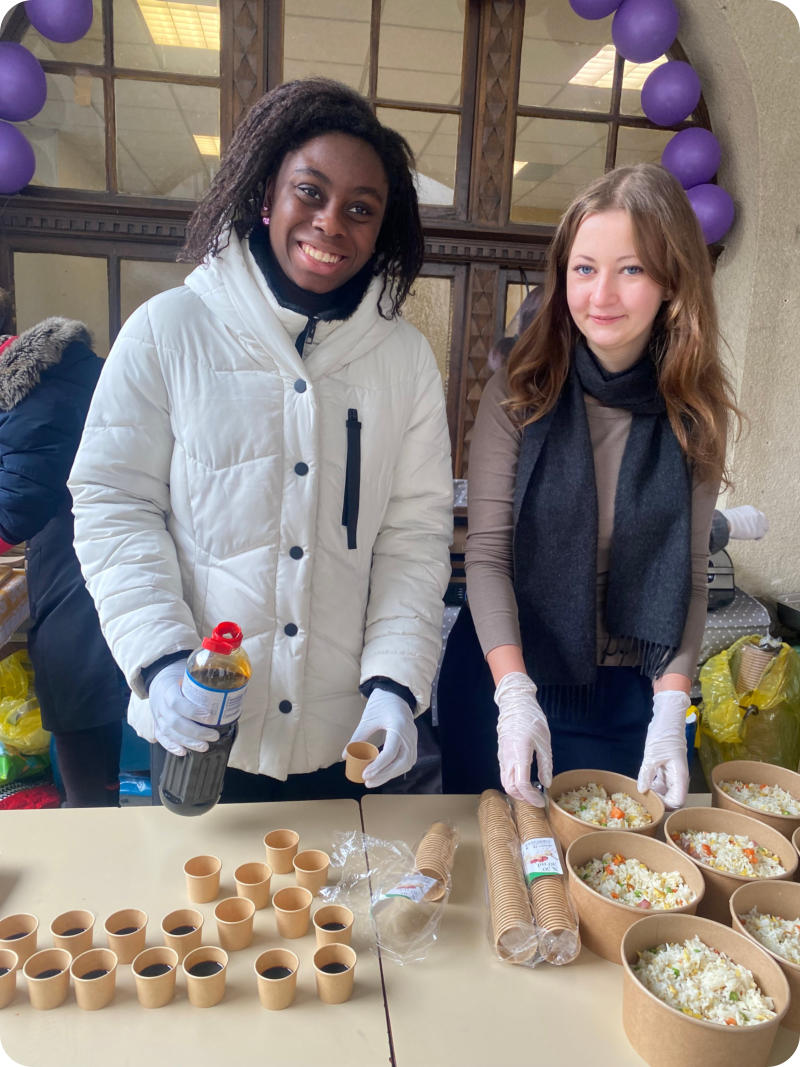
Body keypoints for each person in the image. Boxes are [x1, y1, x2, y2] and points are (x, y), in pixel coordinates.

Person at [68, 78, 453, 804]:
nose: (330, 223)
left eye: (361, 208)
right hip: (200, 724)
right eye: (310, 191)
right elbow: (113, 504)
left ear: (382, 228)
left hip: (344, 737)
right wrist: (161, 660)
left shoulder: (404, 361)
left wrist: (396, 685)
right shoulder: (168, 330)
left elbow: (414, 536)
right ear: (266, 193)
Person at [439, 162, 740, 810]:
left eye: (630, 269)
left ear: (671, 280)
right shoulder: (521, 390)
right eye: (584, 268)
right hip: (506, 678)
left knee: (614, 859)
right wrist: (514, 696)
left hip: (632, 695)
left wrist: (671, 708)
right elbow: (487, 556)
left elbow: (687, 573)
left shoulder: (694, 413)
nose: (601, 294)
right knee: (496, 861)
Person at [0, 292, 129, 806]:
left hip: (84, 561)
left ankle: (92, 821)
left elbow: (13, 511)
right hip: (99, 552)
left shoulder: (40, 396)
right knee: (101, 706)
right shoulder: (69, 373)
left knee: (79, 701)